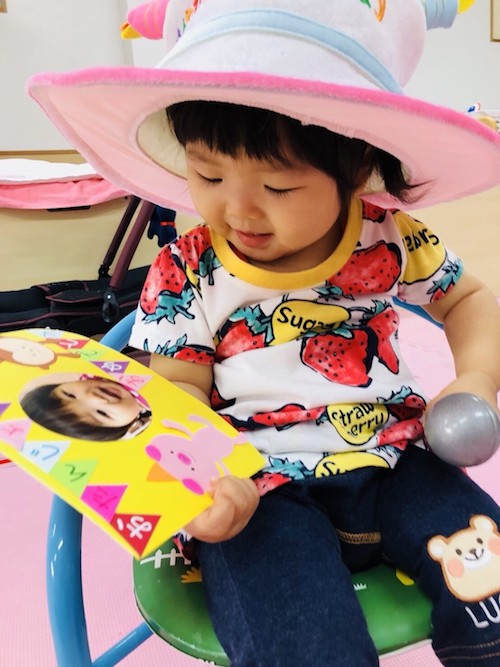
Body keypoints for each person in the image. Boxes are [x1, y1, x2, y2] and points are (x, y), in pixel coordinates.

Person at [28, 1, 500, 664]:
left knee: (492, 588)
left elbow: (469, 298)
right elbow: (179, 391)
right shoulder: (187, 266)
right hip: (257, 491)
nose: (238, 209)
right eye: (208, 174)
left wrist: (475, 378)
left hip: (398, 461)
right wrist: (203, 479)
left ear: (356, 166)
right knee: (305, 644)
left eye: (277, 186)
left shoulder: (389, 235)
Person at [20, 373, 152, 441]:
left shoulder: (96, 368)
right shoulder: (154, 400)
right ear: (130, 425)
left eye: (70, 395)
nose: (95, 398)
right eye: (102, 413)